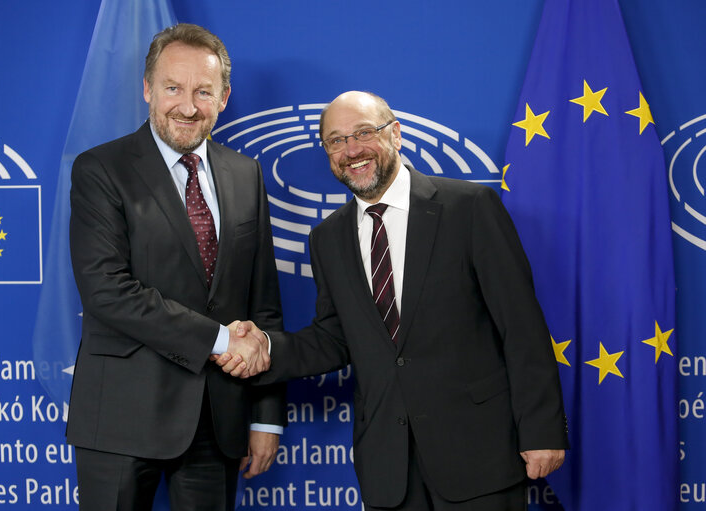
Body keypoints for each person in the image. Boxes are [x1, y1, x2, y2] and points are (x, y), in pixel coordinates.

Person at [216, 91, 569, 510]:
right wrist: (266, 347)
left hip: (478, 453)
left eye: (364, 133)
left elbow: (521, 325)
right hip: (388, 466)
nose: (352, 150)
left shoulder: (469, 207)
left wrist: (542, 429)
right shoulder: (327, 238)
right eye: (336, 140)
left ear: (396, 134)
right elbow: (335, 337)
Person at [67, 23, 284, 511]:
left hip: (217, 418)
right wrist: (225, 341)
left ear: (224, 97)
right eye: (173, 88)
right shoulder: (100, 170)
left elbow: (263, 301)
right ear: (147, 89)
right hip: (121, 416)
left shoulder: (245, 175)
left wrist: (266, 416)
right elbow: (107, 291)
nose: (187, 106)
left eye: (203, 91)